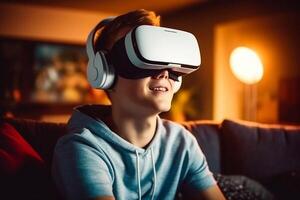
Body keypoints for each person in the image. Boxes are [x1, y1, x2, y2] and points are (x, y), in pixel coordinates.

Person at [52, 9, 226, 200]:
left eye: (160, 56)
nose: (163, 73)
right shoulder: (82, 148)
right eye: (140, 58)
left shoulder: (182, 142)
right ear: (105, 73)